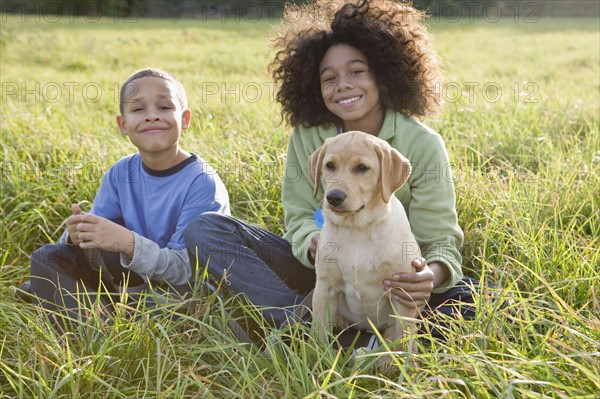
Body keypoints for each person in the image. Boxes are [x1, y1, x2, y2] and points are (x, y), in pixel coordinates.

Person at [184, 0, 479, 344]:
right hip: (326, 268)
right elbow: (297, 216)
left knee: (481, 296)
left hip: (391, 280)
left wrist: (428, 276)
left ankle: (361, 336)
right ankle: (300, 321)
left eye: (357, 71)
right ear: (314, 85)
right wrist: (313, 242)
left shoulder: (422, 144)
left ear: (384, 73)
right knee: (206, 229)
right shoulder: (309, 136)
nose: (343, 85)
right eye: (329, 78)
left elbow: (440, 239)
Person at [19, 68, 230, 329]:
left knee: (171, 307)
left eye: (164, 107)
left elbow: (186, 272)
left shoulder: (202, 182)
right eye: (138, 109)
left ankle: (97, 318)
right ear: (123, 125)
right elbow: (100, 243)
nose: (152, 116)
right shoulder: (120, 173)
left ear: (185, 119)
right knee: (47, 256)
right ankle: (92, 313)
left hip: (181, 295)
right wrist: (79, 236)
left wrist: (129, 243)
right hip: (130, 281)